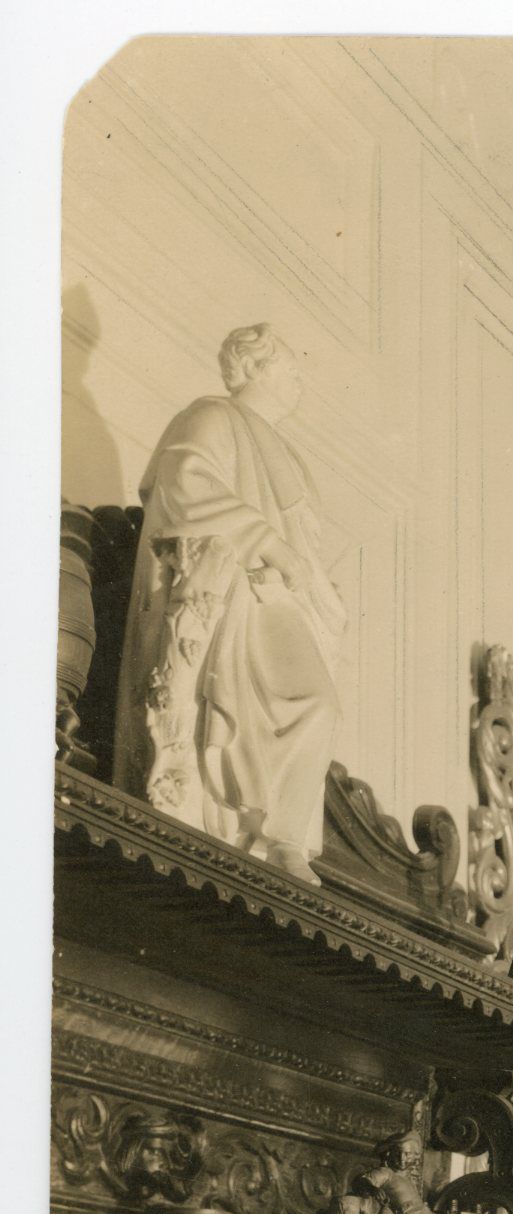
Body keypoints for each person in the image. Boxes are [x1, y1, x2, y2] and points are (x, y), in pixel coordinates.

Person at [115, 323, 346, 881]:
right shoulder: (211, 417)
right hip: (236, 590)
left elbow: (305, 543)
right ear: (254, 368)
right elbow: (182, 484)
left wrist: (314, 584)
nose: (298, 385)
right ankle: (258, 827)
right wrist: (267, 545)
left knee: (319, 706)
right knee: (311, 703)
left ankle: (280, 836)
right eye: (290, 372)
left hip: (282, 599)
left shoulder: (289, 453)